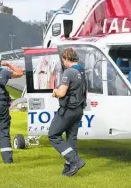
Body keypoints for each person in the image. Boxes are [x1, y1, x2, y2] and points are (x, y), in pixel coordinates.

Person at [48, 47, 87, 177]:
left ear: (65, 58)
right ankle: (69, 167)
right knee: (71, 138)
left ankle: (75, 161)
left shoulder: (69, 72)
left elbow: (62, 92)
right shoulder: (82, 70)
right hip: (79, 109)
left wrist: (55, 92)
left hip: (68, 110)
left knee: (53, 135)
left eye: (63, 60)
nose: (63, 63)